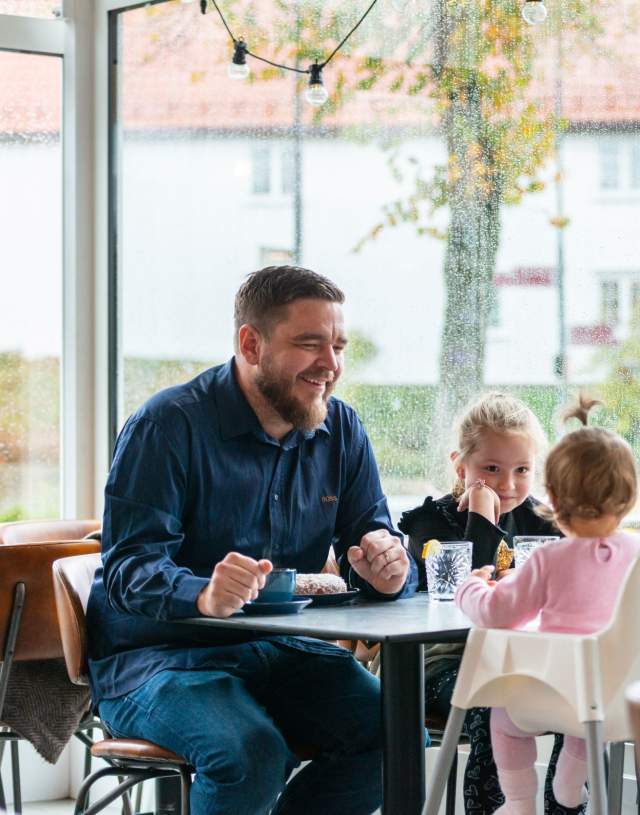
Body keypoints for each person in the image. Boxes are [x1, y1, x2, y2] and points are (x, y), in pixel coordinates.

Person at [86, 265, 418, 815]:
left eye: (338, 346)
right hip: (159, 659)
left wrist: (390, 569)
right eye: (309, 344)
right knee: (252, 753)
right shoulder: (167, 425)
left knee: (397, 736)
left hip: (283, 648)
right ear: (251, 343)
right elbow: (127, 570)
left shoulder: (343, 432)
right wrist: (202, 594)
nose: (331, 365)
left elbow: (374, 542)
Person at [399, 392, 583, 815]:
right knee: (490, 706)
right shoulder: (429, 523)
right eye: (491, 469)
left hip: (520, 661)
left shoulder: (541, 522)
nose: (508, 484)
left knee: (577, 704)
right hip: (442, 664)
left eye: (522, 470)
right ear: (460, 467)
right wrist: (483, 519)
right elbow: (465, 594)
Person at [456, 396, 640, 815]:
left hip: (552, 690)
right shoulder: (636, 553)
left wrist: (470, 588)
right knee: (585, 710)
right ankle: (570, 787)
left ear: (551, 497)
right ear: (630, 498)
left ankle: (520, 801)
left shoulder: (548, 558)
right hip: (618, 697)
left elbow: (499, 614)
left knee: (502, 714)